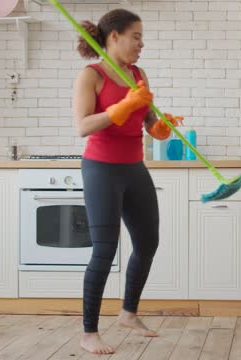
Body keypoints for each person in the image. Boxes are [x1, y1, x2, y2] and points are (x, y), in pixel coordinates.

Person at [72, 9, 182, 355]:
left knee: (148, 243)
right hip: (101, 169)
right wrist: (122, 107)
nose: (141, 43)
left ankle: (128, 313)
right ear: (114, 36)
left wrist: (159, 126)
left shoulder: (138, 73)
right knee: (104, 251)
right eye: (136, 36)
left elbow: (148, 118)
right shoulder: (90, 76)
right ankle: (89, 332)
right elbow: (83, 126)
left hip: (134, 168)